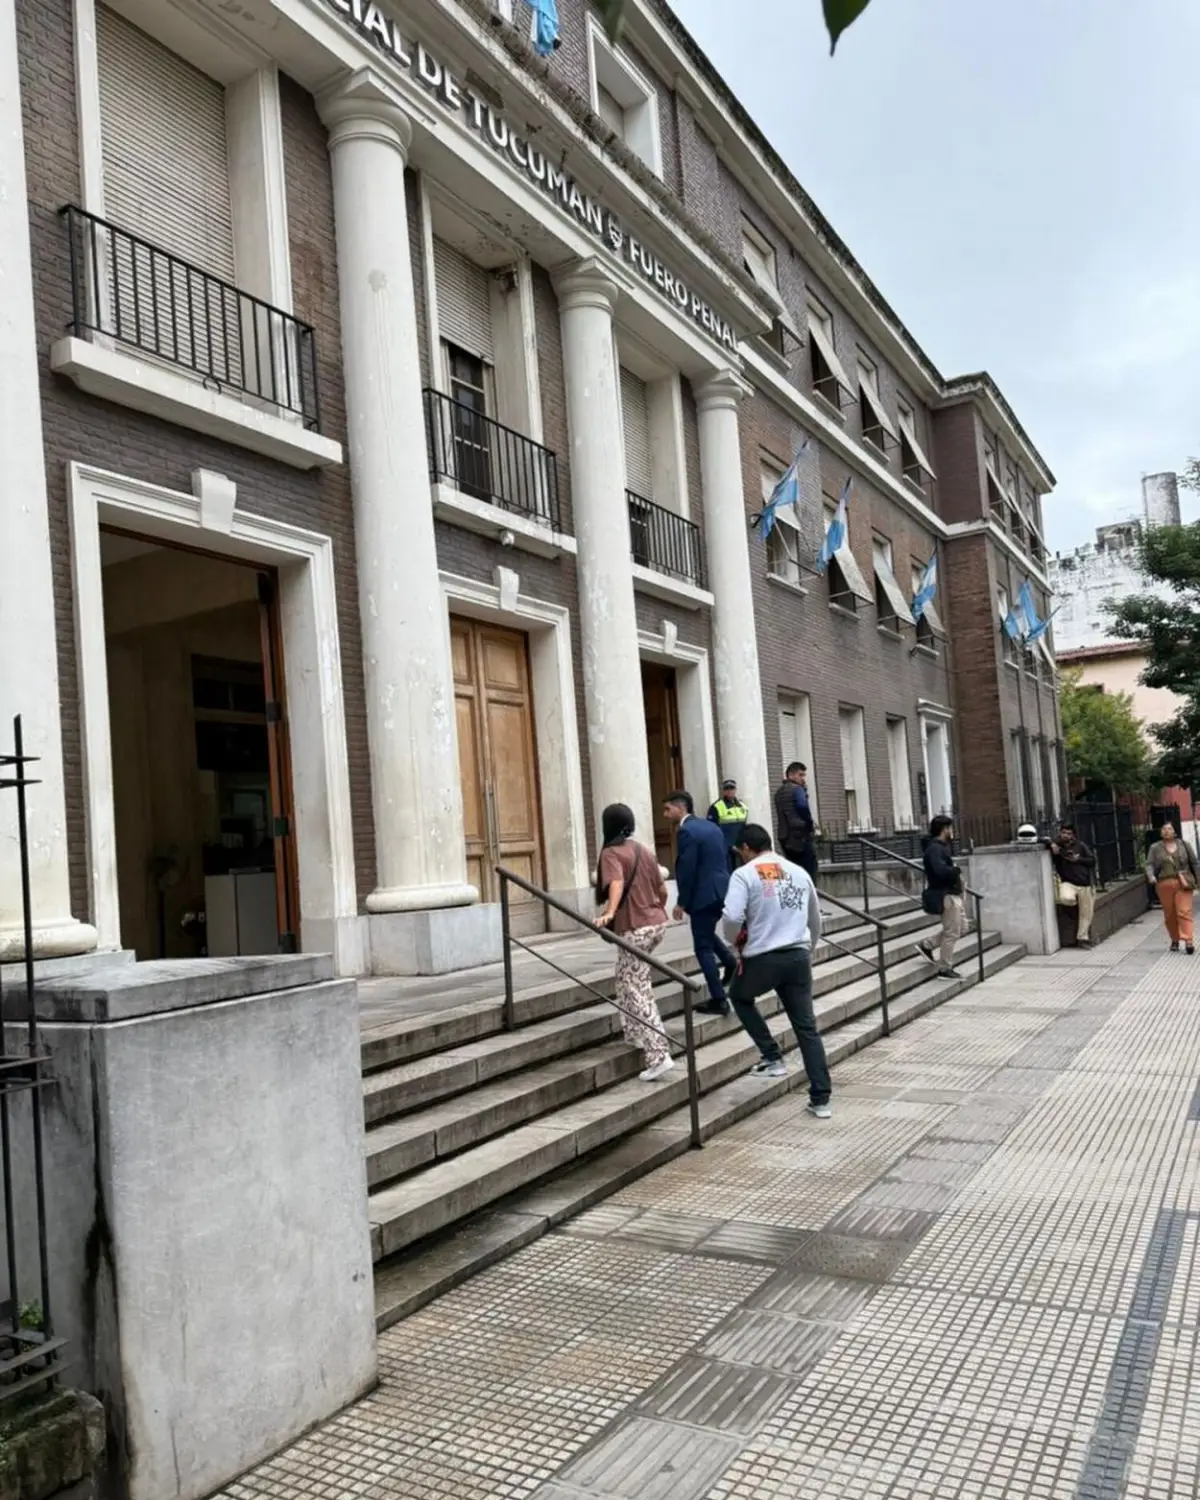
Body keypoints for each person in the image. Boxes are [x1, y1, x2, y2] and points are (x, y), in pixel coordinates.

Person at [721, 824, 832, 1117]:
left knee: (740, 996)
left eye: (739, 851)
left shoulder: (744, 874)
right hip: (797, 954)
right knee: (806, 1027)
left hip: (763, 957)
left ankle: (771, 1056)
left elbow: (732, 916)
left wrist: (734, 941)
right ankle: (821, 1097)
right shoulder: (798, 872)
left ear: (745, 848)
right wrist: (809, 948)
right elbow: (815, 918)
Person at [594, 803, 675, 1081]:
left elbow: (615, 883)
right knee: (627, 975)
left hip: (635, 928)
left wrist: (609, 913)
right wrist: (654, 909)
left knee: (636, 986)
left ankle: (658, 1053)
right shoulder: (642, 850)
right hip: (656, 922)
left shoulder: (611, 853)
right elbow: (662, 890)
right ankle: (634, 1032)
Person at [664, 790, 736, 1016]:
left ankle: (718, 998)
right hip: (721, 890)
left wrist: (681, 902)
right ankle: (730, 962)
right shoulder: (711, 827)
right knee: (705, 932)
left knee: (702, 946)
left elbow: (687, 868)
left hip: (703, 894)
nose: (665, 815)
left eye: (667, 809)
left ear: (681, 808)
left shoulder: (686, 831)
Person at [917, 814, 964, 977]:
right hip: (946, 894)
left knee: (961, 927)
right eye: (950, 828)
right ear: (944, 830)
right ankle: (944, 968)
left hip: (952, 892)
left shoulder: (941, 847)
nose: (952, 831)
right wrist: (955, 870)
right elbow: (940, 871)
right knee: (952, 932)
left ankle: (927, 945)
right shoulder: (935, 849)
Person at [1146, 821, 1198, 954]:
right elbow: (1149, 864)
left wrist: (1198, 880)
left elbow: (1194, 863)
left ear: (1174, 831)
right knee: (1170, 914)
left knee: (1184, 911)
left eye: (1169, 828)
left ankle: (1188, 940)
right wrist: (1151, 876)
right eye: (1164, 829)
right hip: (1164, 884)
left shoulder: (1184, 845)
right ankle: (1174, 939)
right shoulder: (1155, 847)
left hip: (1183, 882)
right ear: (1161, 832)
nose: (1166, 831)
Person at [1050, 822, 1097, 948]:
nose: (1066, 835)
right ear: (1060, 833)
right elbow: (1042, 840)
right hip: (1068, 882)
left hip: (1085, 883)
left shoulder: (1080, 846)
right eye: (1063, 832)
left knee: (1086, 913)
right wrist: (1053, 845)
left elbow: (1092, 861)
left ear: (1073, 835)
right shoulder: (1056, 845)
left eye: (1069, 833)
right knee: (1065, 898)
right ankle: (1073, 907)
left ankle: (1082, 938)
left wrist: (1078, 859)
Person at [774, 761, 818, 880]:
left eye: (804, 775)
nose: (803, 778)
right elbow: (802, 807)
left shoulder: (779, 792)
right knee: (809, 870)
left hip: (784, 837)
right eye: (800, 775)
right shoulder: (797, 790)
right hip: (800, 835)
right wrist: (809, 824)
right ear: (791, 775)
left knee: (793, 870)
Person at [707, 779, 749, 870]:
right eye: (727, 788)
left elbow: (745, 827)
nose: (729, 791)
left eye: (732, 788)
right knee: (727, 871)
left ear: (735, 790)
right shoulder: (716, 806)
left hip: (740, 846)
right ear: (723, 791)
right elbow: (711, 829)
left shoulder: (743, 806)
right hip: (724, 846)